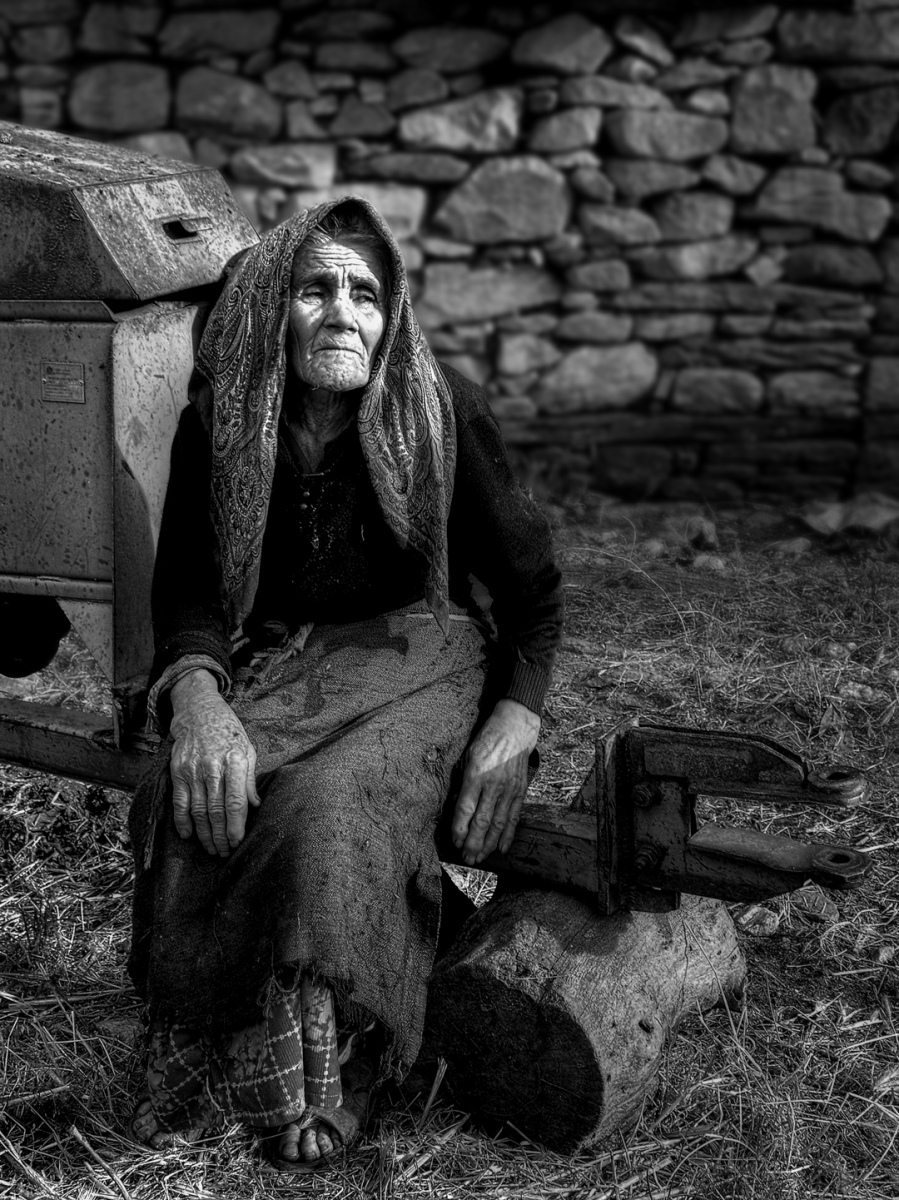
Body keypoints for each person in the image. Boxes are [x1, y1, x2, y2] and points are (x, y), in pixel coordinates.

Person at [126, 196, 563, 1171]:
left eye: (364, 294)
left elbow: (534, 596)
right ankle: (218, 1044)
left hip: (425, 650)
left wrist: (515, 720)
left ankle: (335, 1068)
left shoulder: (440, 411)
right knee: (190, 787)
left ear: (390, 312)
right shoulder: (226, 420)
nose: (341, 314)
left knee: (326, 804)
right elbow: (190, 589)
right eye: (314, 288)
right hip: (294, 653)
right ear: (272, 310)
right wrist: (196, 698)